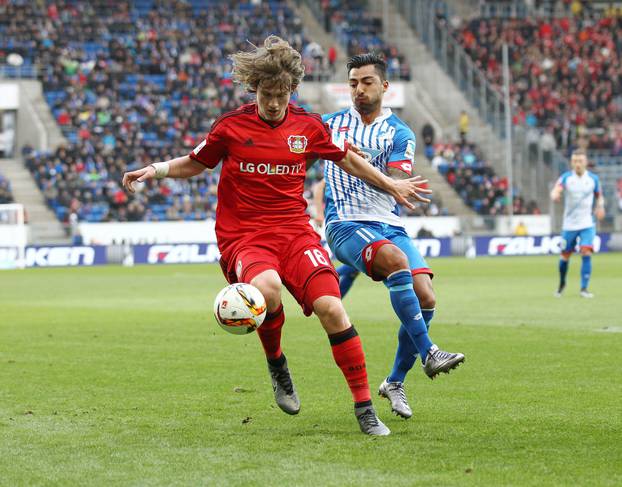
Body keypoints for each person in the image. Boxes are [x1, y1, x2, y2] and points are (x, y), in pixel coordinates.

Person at [122, 36, 431, 436]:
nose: (272, 103)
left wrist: (390, 184)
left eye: (280, 95)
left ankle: (364, 407)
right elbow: (195, 162)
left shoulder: (308, 126)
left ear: (291, 91)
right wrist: (156, 169)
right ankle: (277, 364)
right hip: (246, 236)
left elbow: (350, 160)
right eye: (266, 94)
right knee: (266, 292)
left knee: (333, 310)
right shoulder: (231, 127)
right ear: (255, 90)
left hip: (296, 234)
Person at [319, 53, 465, 420]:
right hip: (345, 224)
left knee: (427, 296)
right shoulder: (329, 125)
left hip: (388, 224)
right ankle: (430, 352)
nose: (359, 90)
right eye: (353, 83)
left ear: (384, 86)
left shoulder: (400, 133)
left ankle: (395, 382)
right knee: (397, 264)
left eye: (367, 82)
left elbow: (396, 180)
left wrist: (354, 155)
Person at [551, 149, 605, 298]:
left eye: (580, 161)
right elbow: (556, 190)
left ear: (585, 162)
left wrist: (600, 207)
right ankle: (562, 284)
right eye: (575, 161)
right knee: (564, 256)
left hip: (587, 223)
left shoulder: (593, 179)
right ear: (571, 163)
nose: (577, 164)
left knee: (586, 252)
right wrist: (555, 195)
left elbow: (599, 196)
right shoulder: (566, 178)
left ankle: (584, 288)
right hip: (569, 225)